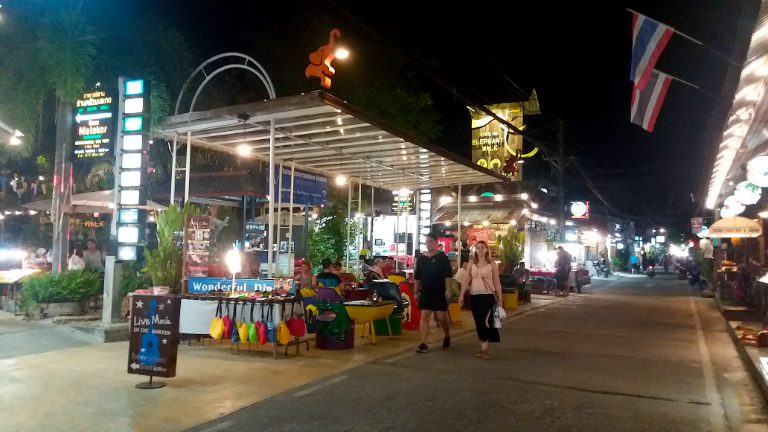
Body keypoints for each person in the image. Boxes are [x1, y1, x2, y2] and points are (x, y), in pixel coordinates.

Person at [459, 240, 502, 359]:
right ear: (475, 250)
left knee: (481, 319)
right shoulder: (471, 263)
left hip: (487, 295)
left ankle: (485, 348)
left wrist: (500, 298)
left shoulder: (492, 264)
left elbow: (497, 282)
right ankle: (483, 346)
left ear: (487, 249)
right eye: (478, 248)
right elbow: (466, 279)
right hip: (474, 295)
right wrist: (461, 295)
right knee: (477, 321)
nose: (480, 249)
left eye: (483, 247)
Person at [414, 232, 452, 353]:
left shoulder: (443, 258)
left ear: (436, 242)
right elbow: (417, 277)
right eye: (427, 241)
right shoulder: (422, 259)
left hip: (439, 291)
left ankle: (447, 334)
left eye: (431, 241)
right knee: (425, 315)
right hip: (425, 292)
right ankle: (424, 343)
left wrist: (448, 289)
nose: (428, 244)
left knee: (442, 316)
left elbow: (448, 275)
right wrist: (415, 292)